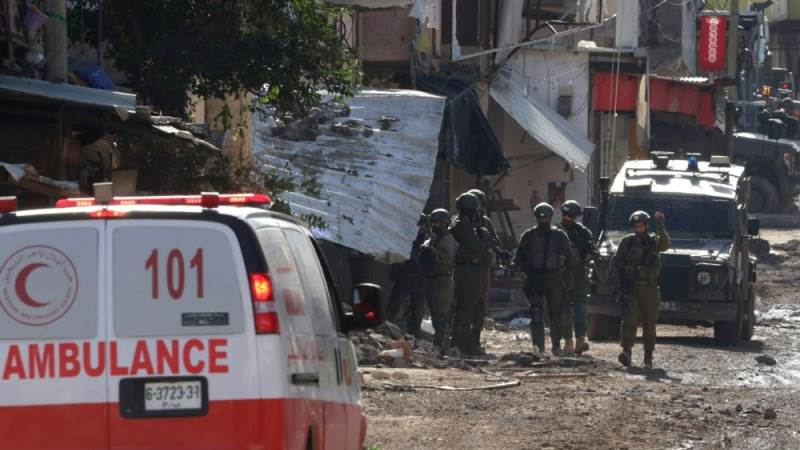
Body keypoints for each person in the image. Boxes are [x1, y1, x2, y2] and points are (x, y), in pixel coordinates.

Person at [611, 210, 670, 370]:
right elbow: (616, 263)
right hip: (630, 287)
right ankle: (627, 353)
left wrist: (661, 226)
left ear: (646, 225)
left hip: (648, 288)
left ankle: (648, 357)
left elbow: (665, 245)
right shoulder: (626, 242)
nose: (638, 228)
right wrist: (617, 283)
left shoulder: (653, 241)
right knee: (629, 320)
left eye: (641, 225)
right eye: (635, 225)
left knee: (649, 323)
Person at [512, 202, 574, 355]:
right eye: (541, 218)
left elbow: (569, 258)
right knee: (537, 314)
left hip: (554, 278)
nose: (543, 221)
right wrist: (518, 268)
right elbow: (518, 256)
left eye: (545, 218)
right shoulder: (529, 236)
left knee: (555, 314)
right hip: (535, 279)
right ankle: (538, 347)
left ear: (550, 218)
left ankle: (556, 346)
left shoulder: (559, 235)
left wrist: (567, 278)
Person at [450, 192, 491, 355]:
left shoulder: (465, 222)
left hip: (472, 269)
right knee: (466, 308)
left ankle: (467, 342)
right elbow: (478, 246)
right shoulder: (461, 224)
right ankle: (463, 344)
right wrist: (484, 236)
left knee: (472, 307)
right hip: (467, 270)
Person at [558, 200, 597, 355]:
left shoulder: (582, 232)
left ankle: (580, 339)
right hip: (560, 275)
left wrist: (589, 255)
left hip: (578, 273)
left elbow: (592, 248)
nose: (569, 218)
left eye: (572, 216)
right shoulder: (555, 231)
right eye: (567, 215)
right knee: (564, 309)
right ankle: (568, 342)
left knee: (580, 307)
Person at [420, 208, 458, 353]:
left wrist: (432, 251)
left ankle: (442, 347)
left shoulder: (447, 240)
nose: (435, 226)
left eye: (438, 223)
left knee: (440, 317)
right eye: (433, 223)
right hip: (433, 279)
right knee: (434, 315)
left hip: (442, 280)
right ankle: (438, 346)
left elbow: (447, 259)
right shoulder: (435, 238)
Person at [467, 188, 500, 355]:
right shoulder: (460, 222)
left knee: (479, 304)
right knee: (463, 305)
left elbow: (494, 243)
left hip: (481, 268)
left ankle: (474, 340)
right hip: (463, 269)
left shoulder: (485, 222)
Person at [386, 213, 430, 337]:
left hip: (419, 280)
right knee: (394, 306)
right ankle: (386, 331)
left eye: (424, 225)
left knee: (417, 311)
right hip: (405, 277)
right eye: (420, 225)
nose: (422, 228)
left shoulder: (427, 241)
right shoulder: (405, 240)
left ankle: (414, 336)